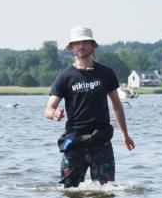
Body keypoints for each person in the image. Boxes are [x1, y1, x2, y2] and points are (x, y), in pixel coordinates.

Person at [44, 26, 135, 188]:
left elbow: (116, 104)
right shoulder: (65, 76)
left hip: (101, 141)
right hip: (74, 143)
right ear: (72, 47)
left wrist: (125, 134)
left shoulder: (106, 73)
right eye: (77, 43)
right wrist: (54, 114)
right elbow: (48, 109)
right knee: (68, 192)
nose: (81, 46)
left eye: (85, 42)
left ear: (93, 45)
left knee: (106, 191)